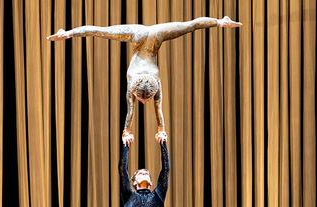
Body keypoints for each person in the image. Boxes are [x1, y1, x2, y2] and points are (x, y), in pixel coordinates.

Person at [48, 16, 242, 146]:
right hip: (144, 34)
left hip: (148, 35)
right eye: (144, 101)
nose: (144, 103)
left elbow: (143, 109)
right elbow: (147, 109)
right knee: (190, 25)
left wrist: (130, 131)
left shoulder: (144, 83)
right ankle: (220, 21)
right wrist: (157, 130)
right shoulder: (140, 82)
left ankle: (68, 33)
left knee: (102, 31)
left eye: (144, 100)